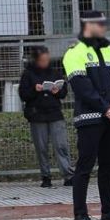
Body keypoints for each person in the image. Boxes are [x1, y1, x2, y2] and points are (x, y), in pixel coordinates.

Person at [62, 10, 110, 220]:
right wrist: (107, 107)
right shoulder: (75, 53)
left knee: (108, 165)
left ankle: (109, 211)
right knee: (85, 167)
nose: (104, 26)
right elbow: (83, 88)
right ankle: (80, 215)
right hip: (89, 119)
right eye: (99, 23)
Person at [18, 46, 73, 188]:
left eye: (47, 59)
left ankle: (68, 175)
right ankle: (46, 176)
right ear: (36, 60)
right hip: (37, 115)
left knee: (61, 145)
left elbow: (63, 92)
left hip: (55, 113)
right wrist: (34, 90)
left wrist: (57, 90)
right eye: (42, 60)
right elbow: (23, 94)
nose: (45, 62)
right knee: (41, 147)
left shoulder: (55, 72)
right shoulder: (28, 74)